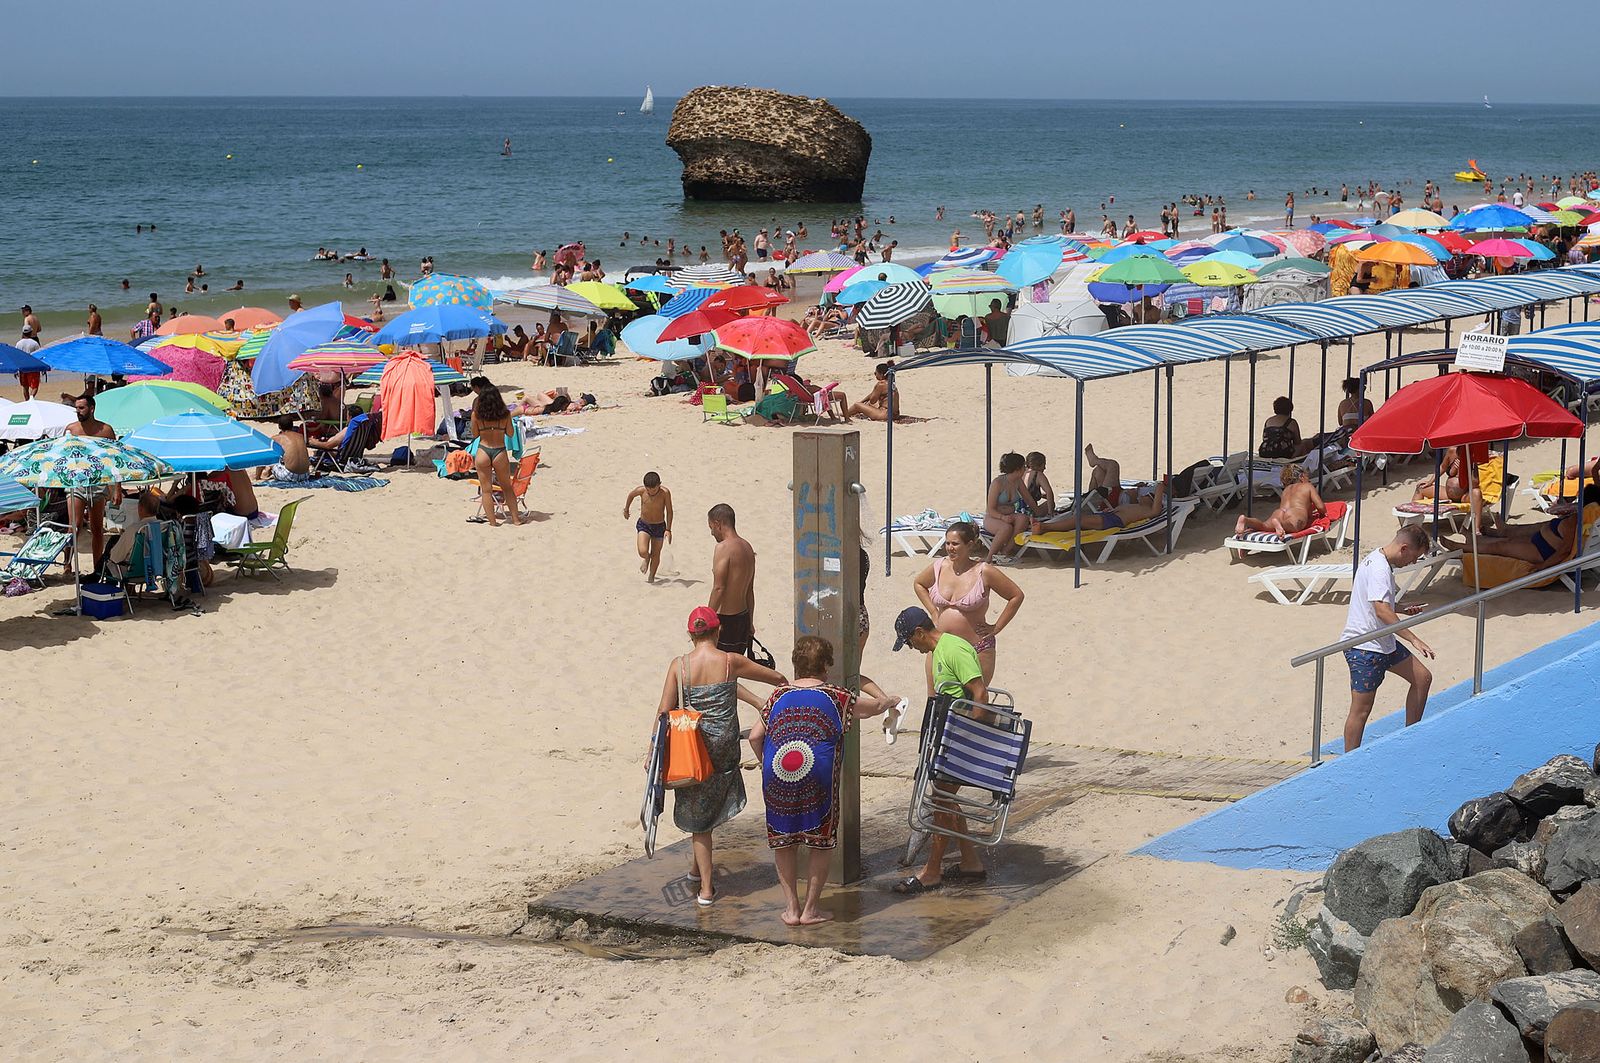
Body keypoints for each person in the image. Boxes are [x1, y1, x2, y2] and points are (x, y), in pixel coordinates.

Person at [750, 635, 897, 925]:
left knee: (783, 840)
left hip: (778, 770)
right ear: (826, 666)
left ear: (796, 665)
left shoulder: (776, 696)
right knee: (820, 841)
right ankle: (811, 910)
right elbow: (873, 708)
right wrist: (889, 701)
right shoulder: (837, 696)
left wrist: (766, 763)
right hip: (817, 771)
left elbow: (755, 736)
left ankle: (791, 909)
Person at [655, 607, 787, 907]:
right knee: (709, 808)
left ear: (691, 635)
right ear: (718, 632)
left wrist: (654, 750)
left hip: (693, 748)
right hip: (725, 746)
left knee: (699, 819)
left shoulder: (679, 666)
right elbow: (775, 677)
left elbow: (664, 711)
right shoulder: (730, 661)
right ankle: (699, 874)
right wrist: (773, 696)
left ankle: (705, 888)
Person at [890, 606, 991, 895]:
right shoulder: (939, 651)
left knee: (940, 802)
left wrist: (964, 740)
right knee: (943, 799)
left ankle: (931, 872)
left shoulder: (953, 649)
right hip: (949, 736)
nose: (912, 648)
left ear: (920, 633)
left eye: (910, 642)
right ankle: (970, 862)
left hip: (959, 738)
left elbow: (979, 693)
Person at [1341, 525, 1435, 751]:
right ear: (1404, 548)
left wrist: (1401, 607)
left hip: (1383, 643)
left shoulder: (1378, 561)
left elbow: (1380, 602)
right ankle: (1349, 761)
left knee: (1422, 678)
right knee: (1361, 710)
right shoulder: (1380, 569)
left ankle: (1411, 736)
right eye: (1415, 557)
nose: (1413, 563)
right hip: (1364, 647)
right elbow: (1381, 611)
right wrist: (1414, 639)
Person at [913, 521, 1024, 683]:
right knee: (934, 700)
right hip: (940, 646)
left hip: (976, 647)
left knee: (973, 703)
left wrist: (996, 627)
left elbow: (1016, 596)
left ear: (970, 544)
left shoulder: (984, 571)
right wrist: (933, 612)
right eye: (947, 543)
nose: (950, 548)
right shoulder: (939, 566)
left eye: (955, 544)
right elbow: (919, 584)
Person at [1440, 483, 1600, 567]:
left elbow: (1565, 550)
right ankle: (1476, 539)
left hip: (1543, 551)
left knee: (1500, 547)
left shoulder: (1576, 521)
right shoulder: (1587, 516)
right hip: (1542, 543)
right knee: (1504, 542)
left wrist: (1544, 566)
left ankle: (1458, 548)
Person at [66, 394, 118, 567]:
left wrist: (117, 487)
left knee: (97, 529)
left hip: (98, 482)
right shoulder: (71, 429)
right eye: (76, 408)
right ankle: (67, 563)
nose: (78, 411)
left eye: (81, 408)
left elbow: (116, 460)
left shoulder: (106, 430)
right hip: (77, 482)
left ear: (92, 409)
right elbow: (61, 457)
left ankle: (97, 566)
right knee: (75, 525)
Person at [1032, 479, 1169, 535]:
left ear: (1152, 500)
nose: (1143, 496)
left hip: (1113, 521)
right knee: (1077, 520)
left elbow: (1156, 510)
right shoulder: (1138, 506)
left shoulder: (1149, 510)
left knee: (1077, 520)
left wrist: (1159, 488)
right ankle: (1044, 527)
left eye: (1147, 495)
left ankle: (1044, 527)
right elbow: (1129, 508)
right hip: (1110, 516)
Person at [707, 503, 756, 655]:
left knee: (718, 674)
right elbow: (749, 590)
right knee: (733, 671)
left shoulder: (723, 548)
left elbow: (719, 588)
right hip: (743, 619)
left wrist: (707, 618)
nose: (711, 533)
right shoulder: (748, 547)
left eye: (711, 527)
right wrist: (750, 622)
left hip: (725, 622)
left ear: (718, 524)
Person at [468, 386, 520, 527]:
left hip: (483, 451)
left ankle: (492, 522)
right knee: (507, 488)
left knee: (486, 490)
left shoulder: (476, 415)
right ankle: (516, 520)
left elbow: (475, 435)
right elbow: (510, 434)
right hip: (499, 451)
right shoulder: (505, 415)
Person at [1233, 464, 1325, 539]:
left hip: (1279, 513)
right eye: (1307, 477)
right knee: (1294, 526)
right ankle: (1280, 523)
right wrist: (1322, 514)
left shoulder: (1286, 489)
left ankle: (1246, 520)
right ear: (1301, 476)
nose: (1308, 480)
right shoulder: (1307, 486)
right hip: (1294, 513)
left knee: (1264, 526)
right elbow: (1320, 507)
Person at [1411, 443, 1486, 530]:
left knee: (1477, 493)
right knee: (1421, 488)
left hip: (1464, 496)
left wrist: (1466, 468)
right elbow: (1442, 467)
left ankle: (1477, 528)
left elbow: (1475, 483)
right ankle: (1413, 525)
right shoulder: (1451, 451)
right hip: (1447, 494)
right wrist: (1430, 481)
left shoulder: (1473, 456)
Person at [97, 491, 161, 577]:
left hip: (134, 569)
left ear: (140, 508)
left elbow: (115, 557)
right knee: (116, 539)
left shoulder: (135, 530)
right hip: (157, 567)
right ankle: (95, 574)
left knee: (112, 550)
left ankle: (96, 575)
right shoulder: (165, 526)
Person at [625, 471, 673, 582]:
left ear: (659, 485)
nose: (651, 492)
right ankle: (646, 558)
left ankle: (651, 577)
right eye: (648, 489)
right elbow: (631, 495)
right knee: (642, 551)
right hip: (644, 525)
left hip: (659, 526)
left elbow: (669, 511)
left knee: (656, 554)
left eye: (654, 489)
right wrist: (626, 509)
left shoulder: (665, 493)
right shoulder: (641, 490)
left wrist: (668, 529)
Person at [983, 452, 1031, 563]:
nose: (1025, 469)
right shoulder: (997, 483)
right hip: (993, 517)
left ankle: (1006, 551)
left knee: (1023, 519)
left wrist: (1038, 513)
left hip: (1009, 514)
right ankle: (989, 557)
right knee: (1006, 528)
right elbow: (990, 509)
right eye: (1024, 466)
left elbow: (1028, 499)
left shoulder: (1018, 482)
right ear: (1018, 469)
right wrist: (1002, 517)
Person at [258, 415, 312, 481]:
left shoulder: (277, 438)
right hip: (306, 475)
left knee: (272, 457)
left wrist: (257, 476)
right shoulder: (300, 436)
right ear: (292, 426)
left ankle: (262, 474)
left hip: (290, 475)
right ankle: (268, 472)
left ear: (279, 426)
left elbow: (264, 456)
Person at [14, 326, 42, 399]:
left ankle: (27, 401)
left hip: (22, 367)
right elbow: (39, 355)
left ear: (23, 333)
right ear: (30, 333)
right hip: (33, 367)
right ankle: (31, 400)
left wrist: (15, 369)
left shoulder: (18, 343)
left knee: (25, 386)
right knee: (35, 386)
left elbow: (15, 357)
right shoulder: (34, 343)